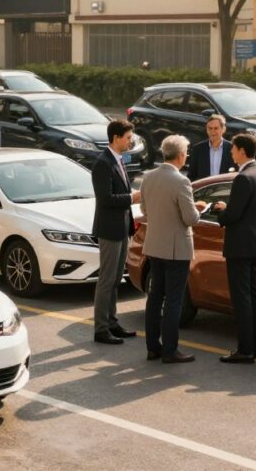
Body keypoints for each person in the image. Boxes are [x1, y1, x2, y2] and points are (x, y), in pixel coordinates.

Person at [141, 135, 206, 363]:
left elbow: (144, 208)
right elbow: (190, 218)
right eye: (186, 152)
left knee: (155, 297)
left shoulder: (148, 177)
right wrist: (201, 209)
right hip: (176, 248)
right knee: (174, 300)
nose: (187, 155)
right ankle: (170, 349)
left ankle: (152, 347)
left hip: (154, 244)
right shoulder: (181, 181)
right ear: (180, 156)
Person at [212, 134, 256, 363]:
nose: (231, 152)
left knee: (241, 298)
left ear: (242, 151)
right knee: (253, 295)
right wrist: (231, 207)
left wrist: (220, 213)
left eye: (233, 149)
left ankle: (245, 349)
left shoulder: (243, 178)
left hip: (240, 246)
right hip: (255, 243)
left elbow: (233, 215)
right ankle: (255, 346)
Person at [91, 120, 141, 346]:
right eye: (128, 137)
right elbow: (105, 198)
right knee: (107, 279)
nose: (130, 141)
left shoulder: (118, 160)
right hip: (110, 229)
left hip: (122, 227)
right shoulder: (103, 163)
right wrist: (133, 198)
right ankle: (101, 328)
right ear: (116, 138)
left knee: (116, 280)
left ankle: (112, 322)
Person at [186, 115, 235, 182]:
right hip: (205, 190)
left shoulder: (232, 148)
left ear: (223, 129)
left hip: (225, 190)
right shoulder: (198, 149)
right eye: (210, 128)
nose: (212, 131)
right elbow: (191, 175)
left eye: (216, 128)